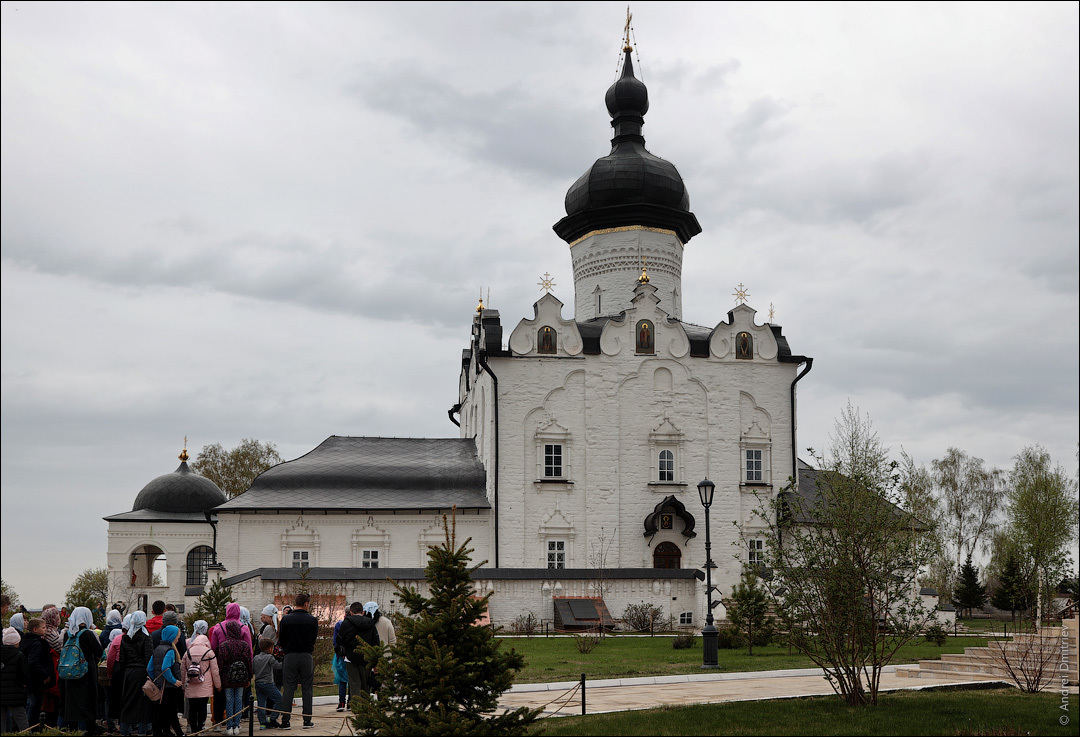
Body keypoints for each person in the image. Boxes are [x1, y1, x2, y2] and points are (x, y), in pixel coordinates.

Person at [59, 606, 103, 735]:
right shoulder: (88, 634)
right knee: (87, 701)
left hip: (70, 672)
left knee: (72, 701)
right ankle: (88, 729)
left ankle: (73, 730)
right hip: (86, 672)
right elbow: (99, 651)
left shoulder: (68, 634)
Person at [277, 592, 318, 729]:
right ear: (306, 603)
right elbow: (313, 638)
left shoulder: (286, 620)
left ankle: (285, 720)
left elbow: (281, 639)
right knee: (307, 688)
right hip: (306, 655)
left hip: (290, 656)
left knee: (288, 688)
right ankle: (307, 720)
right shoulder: (312, 620)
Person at [210, 603, 250, 727]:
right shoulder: (244, 628)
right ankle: (236, 724)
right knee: (239, 698)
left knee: (224, 697)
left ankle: (223, 721)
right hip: (241, 669)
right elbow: (250, 652)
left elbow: (213, 649)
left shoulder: (218, 627)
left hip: (224, 667)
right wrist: (250, 672)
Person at [118, 611, 153, 736]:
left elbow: (122, 659)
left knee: (127, 702)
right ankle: (142, 732)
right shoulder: (146, 637)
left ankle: (124, 731)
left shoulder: (125, 638)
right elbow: (149, 658)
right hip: (141, 672)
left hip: (128, 672)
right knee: (143, 704)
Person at [181, 620, 219, 735]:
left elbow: (183, 670)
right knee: (202, 707)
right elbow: (215, 671)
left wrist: (183, 685)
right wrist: (218, 685)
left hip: (191, 683)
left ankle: (193, 729)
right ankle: (201, 726)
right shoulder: (209, 652)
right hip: (204, 684)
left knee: (192, 707)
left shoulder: (188, 652)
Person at [336, 602, 378, 705]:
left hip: (350, 656)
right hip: (367, 657)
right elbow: (376, 642)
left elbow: (339, 639)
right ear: (363, 612)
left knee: (354, 683)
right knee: (365, 683)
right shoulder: (371, 623)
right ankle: (365, 705)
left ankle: (356, 706)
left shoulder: (346, 623)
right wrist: (376, 660)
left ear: (351, 612)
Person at [146, 624, 184, 737]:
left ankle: (161, 732)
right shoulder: (170, 650)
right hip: (169, 687)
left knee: (160, 713)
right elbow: (165, 668)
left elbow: (149, 668)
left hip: (160, 686)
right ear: (172, 637)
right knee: (172, 713)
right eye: (177, 636)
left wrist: (156, 680)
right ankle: (180, 733)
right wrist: (174, 681)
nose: (178, 638)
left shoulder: (157, 648)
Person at [216, 621, 252, 737]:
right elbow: (248, 662)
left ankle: (229, 726)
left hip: (227, 677)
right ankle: (237, 725)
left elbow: (220, 664)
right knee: (239, 700)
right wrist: (249, 677)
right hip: (241, 677)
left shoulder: (223, 646)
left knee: (229, 700)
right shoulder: (244, 645)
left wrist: (220, 678)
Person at [20, 617, 53, 729]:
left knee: (30, 703)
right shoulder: (37, 644)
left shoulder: (24, 641)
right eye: (43, 628)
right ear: (35, 629)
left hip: (27, 678)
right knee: (33, 705)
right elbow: (33, 662)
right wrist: (45, 674)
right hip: (35, 679)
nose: (45, 630)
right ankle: (28, 727)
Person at [1, 627, 30, 734]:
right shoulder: (19, 655)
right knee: (21, 719)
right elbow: (24, 675)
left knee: (2, 721)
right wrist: (24, 685)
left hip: (2, 693)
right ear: (16, 642)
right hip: (16, 693)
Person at [364, 601, 396, 691]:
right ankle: (383, 701)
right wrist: (393, 655)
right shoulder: (386, 622)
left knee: (369, 682)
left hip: (369, 657)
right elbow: (393, 641)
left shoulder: (366, 623)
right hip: (386, 656)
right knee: (384, 682)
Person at [252, 637, 282, 730]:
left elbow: (253, 670)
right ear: (269, 648)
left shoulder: (256, 658)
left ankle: (262, 723)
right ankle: (272, 718)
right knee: (279, 699)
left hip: (258, 683)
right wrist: (285, 663)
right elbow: (277, 666)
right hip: (268, 683)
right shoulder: (270, 657)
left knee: (261, 704)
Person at [330, 610, 349, 712]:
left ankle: (342, 702)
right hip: (352, 655)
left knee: (342, 680)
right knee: (352, 679)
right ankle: (351, 703)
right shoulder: (357, 625)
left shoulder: (339, 625)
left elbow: (335, 641)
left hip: (340, 655)